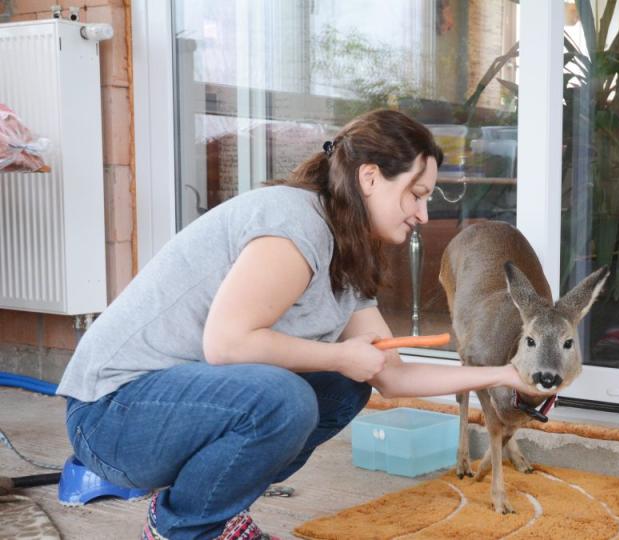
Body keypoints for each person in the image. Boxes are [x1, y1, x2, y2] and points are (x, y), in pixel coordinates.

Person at [56, 109, 545, 540]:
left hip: (173, 407)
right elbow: (227, 344)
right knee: (285, 399)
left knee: (342, 388)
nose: (422, 213)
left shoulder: (347, 246)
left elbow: (394, 377)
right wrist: (340, 355)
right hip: (112, 416)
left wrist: (507, 374)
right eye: (415, 195)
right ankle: (181, 529)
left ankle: (215, 515)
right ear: (370, 178)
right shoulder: (296, 224)